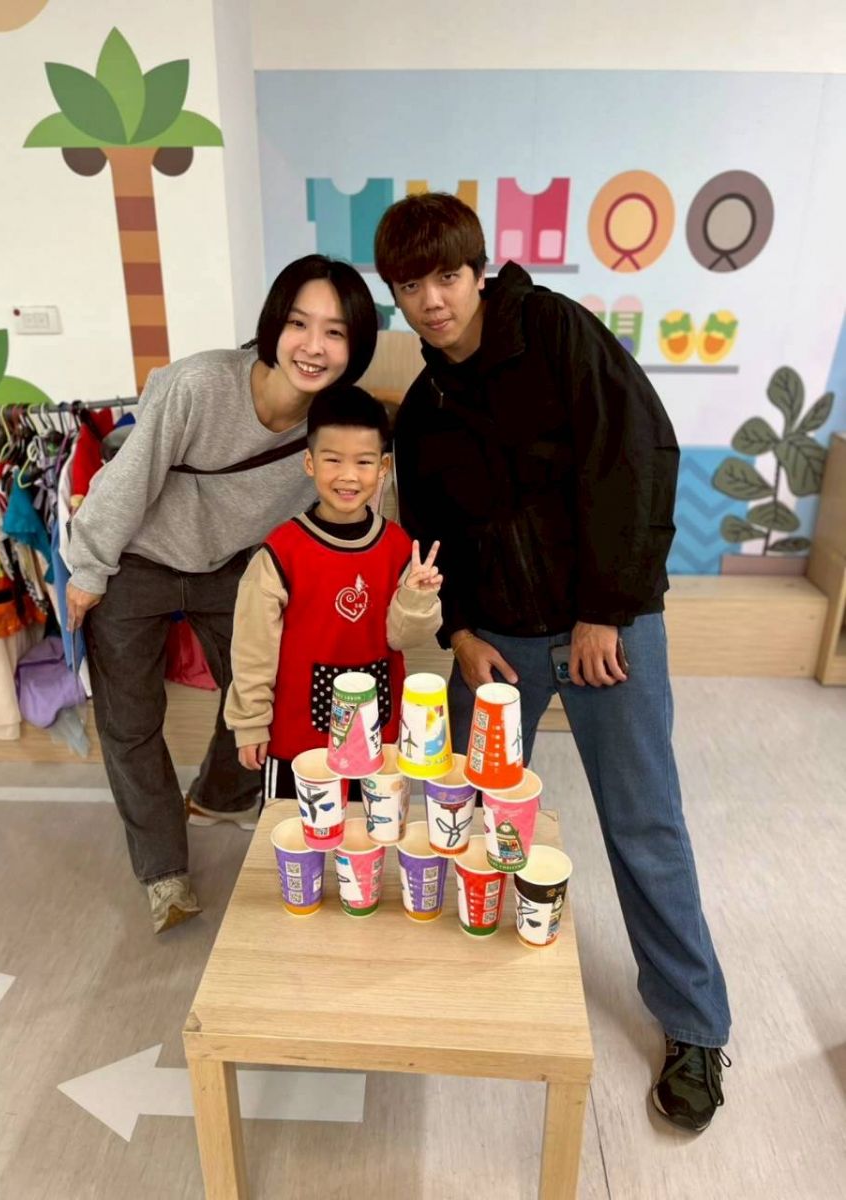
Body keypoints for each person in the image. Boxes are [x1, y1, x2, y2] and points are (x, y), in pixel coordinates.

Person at [374, 192, 731, 1133]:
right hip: (497, 642)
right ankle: (468, 979)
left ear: (477, 272)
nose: (433, 301)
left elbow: (636, 458)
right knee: (460, 811)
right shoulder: (424, 410)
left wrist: (605, 610)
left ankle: (695, 1025)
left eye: (448, 276)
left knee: (643, 821)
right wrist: (458, 633)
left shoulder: (557, 334)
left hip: (603, 628)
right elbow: (429, 533)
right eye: (411, 286)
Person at [66, 255, 378, 933]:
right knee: (129, 721)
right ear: (273, 325)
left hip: (229, 563)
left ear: (355, 346)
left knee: (269, 690)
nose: (313, 346)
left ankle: (217, 794)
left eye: (335, 332)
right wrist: (87, 570)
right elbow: (130, 477)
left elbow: (356, 503)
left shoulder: (335, 422)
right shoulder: (200, 384)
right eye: (299, 324)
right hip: (137, 558)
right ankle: (164, 873)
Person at [224, 385, 442, 799]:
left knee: (374, 829)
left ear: (383, 467)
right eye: (333, 460)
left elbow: (403, 637)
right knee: (297, 831)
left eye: (363, 462)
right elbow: (253, 649)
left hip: (379, 736)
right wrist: (250, 722)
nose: (348, 476)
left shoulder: (397, 545)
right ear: (309, 463)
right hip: (296, 742)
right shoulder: (281, 551)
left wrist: (417, 598)